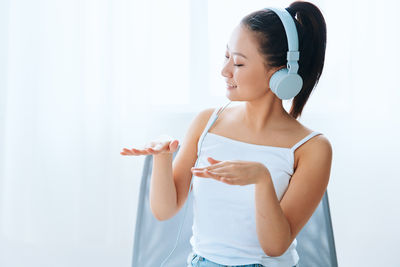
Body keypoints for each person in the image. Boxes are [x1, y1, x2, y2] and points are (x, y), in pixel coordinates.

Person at [121, 1, 331, 266]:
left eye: (239, 64)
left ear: (280, 74)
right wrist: (162, 157)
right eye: (226, 55)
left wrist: (262, 181)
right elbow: (165, 210)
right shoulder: (207, 122)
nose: (224, 70)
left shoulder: (312, 148)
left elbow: (276, 246)